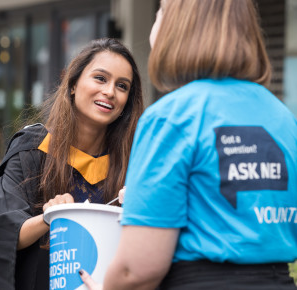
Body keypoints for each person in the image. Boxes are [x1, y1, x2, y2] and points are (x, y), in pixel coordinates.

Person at [80, 0, 297, 289]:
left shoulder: (171, 117)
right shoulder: (283, 117)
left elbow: (138, 270)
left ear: (178, 26)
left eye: (160, 12)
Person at [0, 37, 144, 290]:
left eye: (122, 86)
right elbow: (0, 233)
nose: (110, 92)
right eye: (100, 78)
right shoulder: (33, 149)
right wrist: (50, 217)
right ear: (72, 84)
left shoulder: (132, 163)